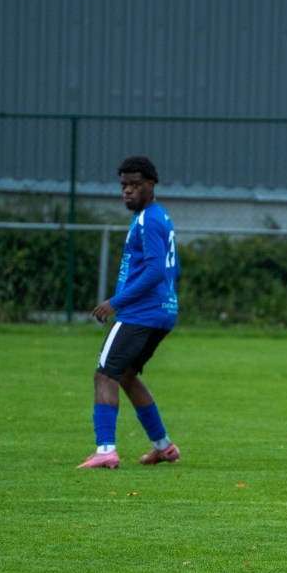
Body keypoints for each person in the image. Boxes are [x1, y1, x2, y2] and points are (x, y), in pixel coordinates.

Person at [78, 156, 182, 469]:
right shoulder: (159, 216)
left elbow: (154, 271)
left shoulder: (148, 219)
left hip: (140, 312)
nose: (127, 190)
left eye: (135, 184)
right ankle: (162, 445)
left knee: (105, 373)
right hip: (162, 312)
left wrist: (116, 302)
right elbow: (173, 269)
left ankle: (105, 450)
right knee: (124, 374)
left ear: (152, 184)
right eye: (124, 185)